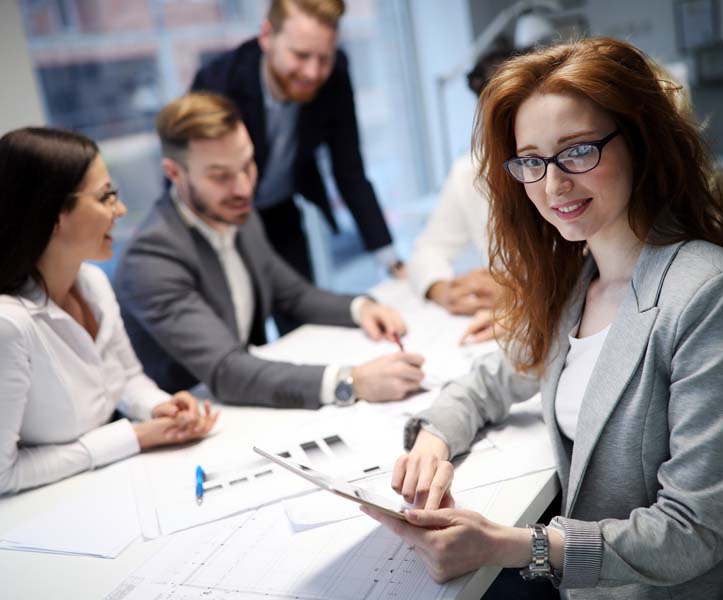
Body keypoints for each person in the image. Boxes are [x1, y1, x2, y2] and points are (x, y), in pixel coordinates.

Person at [361, 38, 723, 599]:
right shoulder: (581, 278)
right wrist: (433, 441)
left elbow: (691, 533)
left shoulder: (708, 293)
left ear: (640, 143)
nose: (553, 185)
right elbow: (492, 379)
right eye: (531, 160)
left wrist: (513, 545)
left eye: (578, 151)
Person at [114, 92, 425, 410]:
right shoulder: (152, 258)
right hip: (187, 424)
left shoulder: (237, 215)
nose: (244, 188)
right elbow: (226, 370)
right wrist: (350, 381)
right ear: (174, 173)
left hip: (242, 409)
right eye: (220, 176)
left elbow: (294, 295)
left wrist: (360, 308)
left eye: (248, 165)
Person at [0, 127, 218, 496]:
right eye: (105, 198)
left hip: (109, 488)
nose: (120, 210)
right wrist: (133, 437)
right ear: (54, 215)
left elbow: (126, 377)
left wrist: (161, 409)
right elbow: (3, 475)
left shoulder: (93, 283)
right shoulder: (10, 326)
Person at [190, 0, 404, 294]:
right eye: (300, 55)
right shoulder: (219, 83)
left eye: (323, 59)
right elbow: (191, 178)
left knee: (302, 307)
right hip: (221, 219)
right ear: (267, 36)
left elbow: (350, 172)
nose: (312, 73)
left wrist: (392, 261)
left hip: (281, 211)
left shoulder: (335, 78)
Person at [407, 47, 515, 345]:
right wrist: (443, 289)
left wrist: (516, 292)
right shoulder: (469, 171)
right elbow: (427, 250)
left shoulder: (560, 173)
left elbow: (592, 270)